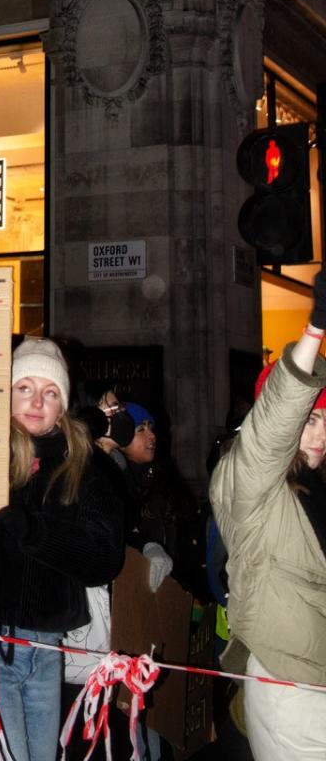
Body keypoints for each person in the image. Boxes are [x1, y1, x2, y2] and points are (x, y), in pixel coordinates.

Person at [0, 337, 124, 761]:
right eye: (25, 387)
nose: (37, 401)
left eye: (50, 391)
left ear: (62, 404)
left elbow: (104, 557)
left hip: (45, 651)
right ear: (4, 392)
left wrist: (37, 532)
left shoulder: (80, 465)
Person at [210, 271, 326, 761]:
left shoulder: (317, 486)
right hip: (290, 686)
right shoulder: (249, 479)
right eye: (311, 420)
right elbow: (275, 423)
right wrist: (316, 328)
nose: (319, 435)